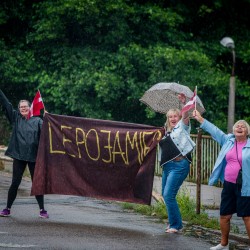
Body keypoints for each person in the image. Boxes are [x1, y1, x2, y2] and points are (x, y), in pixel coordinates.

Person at [192, 110, 250, 250]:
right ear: (233, 130)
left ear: (247, 131)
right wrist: (200, 119)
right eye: (237, 125)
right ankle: (224, 244)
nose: (240, 127)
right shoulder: (228, 141)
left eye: (243, 126)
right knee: (224, 215)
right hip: (228, 184)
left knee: (247, 217)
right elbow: (215, 130)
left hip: (245, 186)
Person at [0, 89, 49, 218]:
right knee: (15, 183)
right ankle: (7, 208)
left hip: (34, 157)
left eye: (25, 106)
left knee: (36, 183)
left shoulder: (37, 121)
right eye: (21, 107)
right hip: (19, 156)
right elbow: (6, 104)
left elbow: (48, 133)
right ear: (19, 109)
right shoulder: (16, 118)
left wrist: (48, 120)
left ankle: (42, 210)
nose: (23, 108)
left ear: (30, 107)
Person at [159, 94, 196, 233]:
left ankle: (176, 225)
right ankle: (173, 222)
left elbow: (186, 116)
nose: (173, 118)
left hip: (180, 164)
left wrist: (184, 103)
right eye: (170, 117)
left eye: (175, 116)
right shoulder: (165, 132)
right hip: (168, 166)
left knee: (169, 195)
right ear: (167, 119)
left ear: (179, 118)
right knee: (165, 195)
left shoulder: (182, 127)